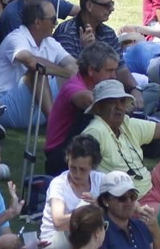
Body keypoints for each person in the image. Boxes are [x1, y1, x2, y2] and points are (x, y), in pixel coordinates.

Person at [77, 81, 160, 198]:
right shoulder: (96, 130)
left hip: (151, 183)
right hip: (131, 200)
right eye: (111, 102)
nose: (118, 107)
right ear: (98, 108)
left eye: (122, 101)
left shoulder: (126, 122)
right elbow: (80, 171)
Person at [0, 0, 77, 132]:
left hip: (33, 109)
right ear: (38, 22)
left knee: (73, 71)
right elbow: (30, 61)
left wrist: (71, 72)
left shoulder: (49, 42)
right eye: (53, 19)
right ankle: (55, 125)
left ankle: (78, 120)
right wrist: (66, 73)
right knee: (37, 70)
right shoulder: (16, 38)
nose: (56, 23)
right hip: (3, 107)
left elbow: (74, 66)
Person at [42, 41, 122, 174]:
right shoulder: (74, 87)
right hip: (60, 155)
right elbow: (90, 101)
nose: (114, 76)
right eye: (109, 71)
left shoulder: (92, 85)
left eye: (115, 70)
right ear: (91, 70)